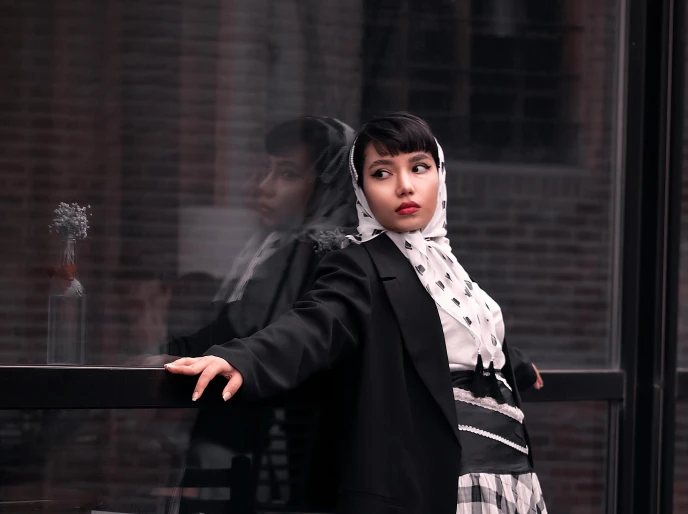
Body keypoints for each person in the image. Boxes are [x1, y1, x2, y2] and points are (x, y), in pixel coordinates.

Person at [166, 112, 547, 514]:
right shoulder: (360, 264)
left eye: (419, 167)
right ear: (360, 190)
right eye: (382, 173)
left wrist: (515, 363)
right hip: (441, 481)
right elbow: (314, 324)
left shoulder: (448, 267)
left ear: (440, 175)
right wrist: (241, 359)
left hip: (511, 475)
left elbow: (451, 332)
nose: (404, 186)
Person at [167, 116, 358, 507]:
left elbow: (252, 332)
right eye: (263, 170)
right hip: (252, 437)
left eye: (286, 174)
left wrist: (174, 350)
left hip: (283, 449)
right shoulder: (272, 249)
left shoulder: (320, 254)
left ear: (328, 185)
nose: (263, 187)